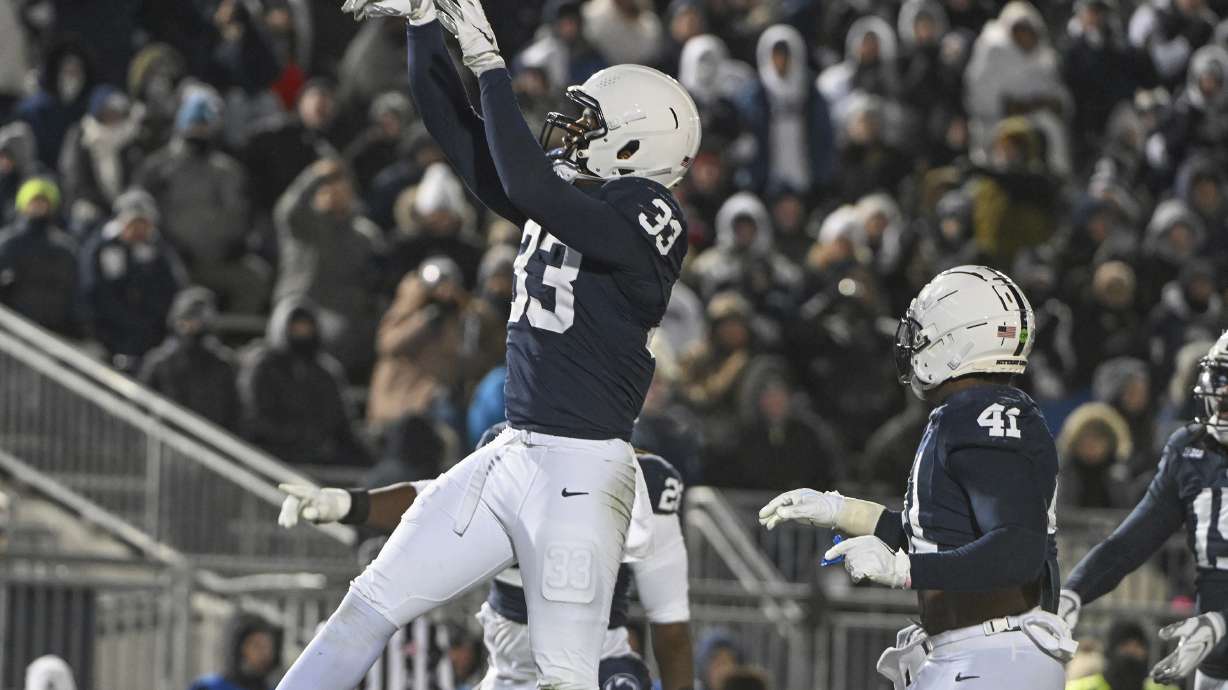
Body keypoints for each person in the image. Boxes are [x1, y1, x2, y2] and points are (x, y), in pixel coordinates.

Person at [273, 0, 700, 687]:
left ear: (636, 145)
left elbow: (527, 180)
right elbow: (461, 135)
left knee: (566, 677)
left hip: (581, 471)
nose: (566, 132)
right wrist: (422, 29)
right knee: (368, 604)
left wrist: (491, 66)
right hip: (513, 451)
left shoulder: (650, 214)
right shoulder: (574, 196)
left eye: (589, 124)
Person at [759, 265, 1070, 689]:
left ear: (958, 339)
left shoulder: (982, 414)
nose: (912, 341)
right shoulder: (973, 412)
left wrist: (905, 569)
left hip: (990, 657)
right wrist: (840, 510)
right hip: (981, 654)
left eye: (924, 331)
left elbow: (1016, 550)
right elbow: (942, 538)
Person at [277, 424, 694, 690]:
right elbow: (430, 496)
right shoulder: (513, 450)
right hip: (511, 668)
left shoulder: (644, 483)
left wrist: (350, 505)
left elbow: (671, 627)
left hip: (597, 660)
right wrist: (351, 505)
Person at [1058, 332, 1228, 688]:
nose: (1223, 402)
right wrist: (1073, 592)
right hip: (1212, 654)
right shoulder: (1191, 449)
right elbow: (1135, 539)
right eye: (1221, 387)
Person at [237, 298, 371, 468]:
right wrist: (298, 435)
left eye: (306, 327)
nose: (302, 333)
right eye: (296, 327)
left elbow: (341, 422)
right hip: (272, 457)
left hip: (319, 457)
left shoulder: (326, 371)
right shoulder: (262, 367)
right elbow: (255, 418)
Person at [78, 188, 186, 371]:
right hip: (107, 333)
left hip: (149, 335)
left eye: (143, 224)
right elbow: (93, 292)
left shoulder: (158, 251)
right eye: (133, 223)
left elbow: (171, 289)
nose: (138, 230)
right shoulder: (100, 248)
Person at [138, 287, 240, 431]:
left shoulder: (223, 364)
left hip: (211, 440)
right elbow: (143, 408)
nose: (192, 324)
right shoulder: (159, 362)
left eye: (200, 319)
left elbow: (234, 412)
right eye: (188, 318)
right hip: (169, 440)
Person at [0, 177, 79, 337]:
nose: (39, 207)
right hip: (15, 330)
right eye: (34, 201)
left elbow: (72, 291)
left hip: (55, 330)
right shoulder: (9, 243)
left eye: (44, 202)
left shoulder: (64, 248)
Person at [1065, 620, 1178, 690]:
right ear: (1110, 651)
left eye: (1138, 646)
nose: (1132, 651)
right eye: (1125, 646)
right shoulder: (1080, 688)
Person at [189, 615, 282, 690]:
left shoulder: (276, 687)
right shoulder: (208, 687)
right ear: (239, 647)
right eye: (256, 646)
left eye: (268, 647)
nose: (264, 653)